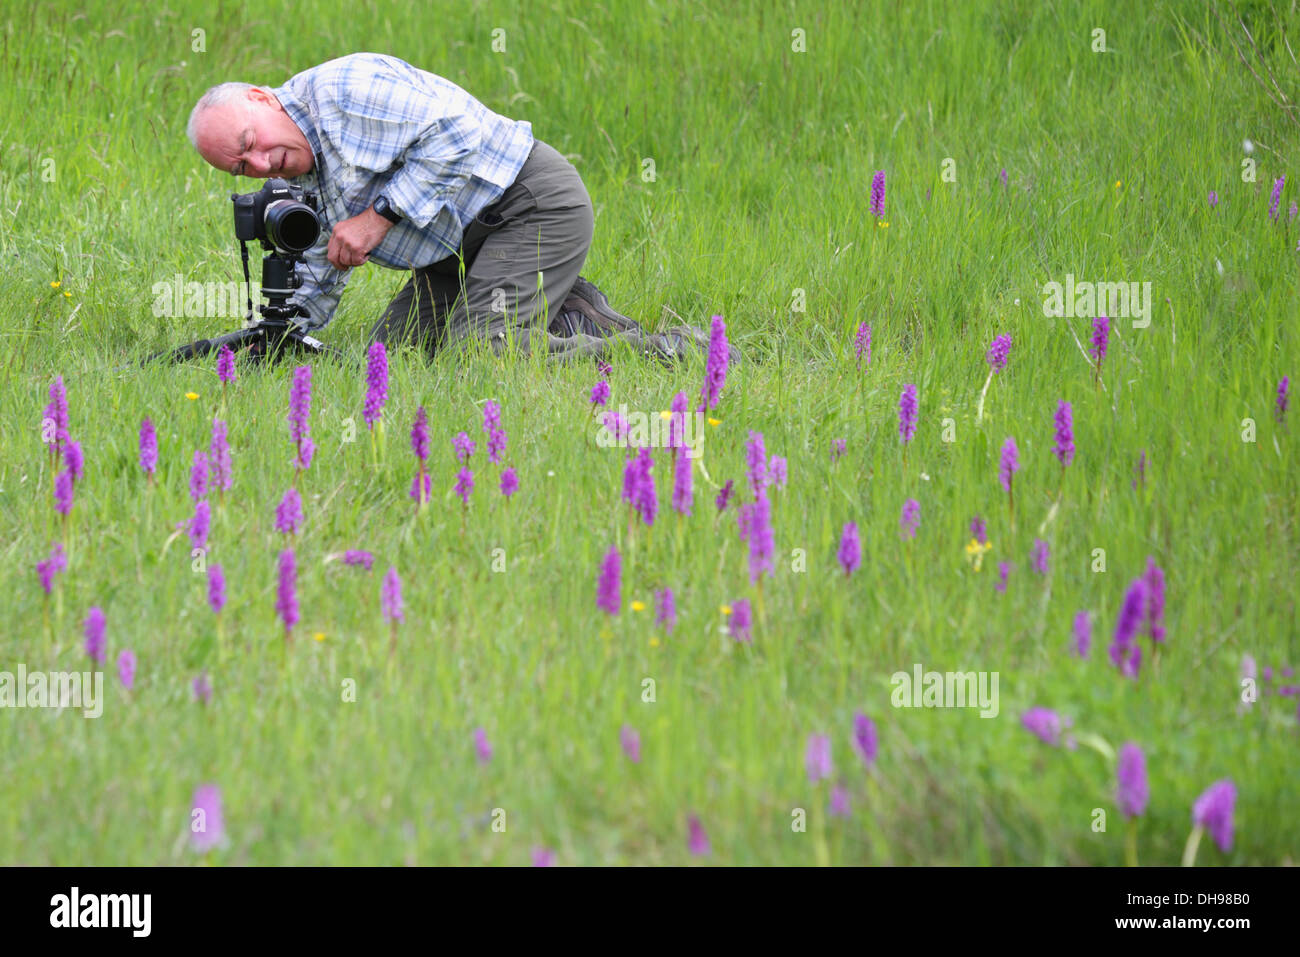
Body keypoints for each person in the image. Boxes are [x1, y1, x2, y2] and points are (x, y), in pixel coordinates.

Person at [186, 52, 715, 364]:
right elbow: (325, 264)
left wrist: (377, 219)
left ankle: (667, 350)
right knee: (393, 361)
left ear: (260, 97)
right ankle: (564, 307)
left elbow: (457, 132)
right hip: (454, 251)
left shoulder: (341, 92)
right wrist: (279, 338)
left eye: (251, 140)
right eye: (242, 166)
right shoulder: (296, 173)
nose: (259, 162)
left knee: (482, 355)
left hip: (529, 205)